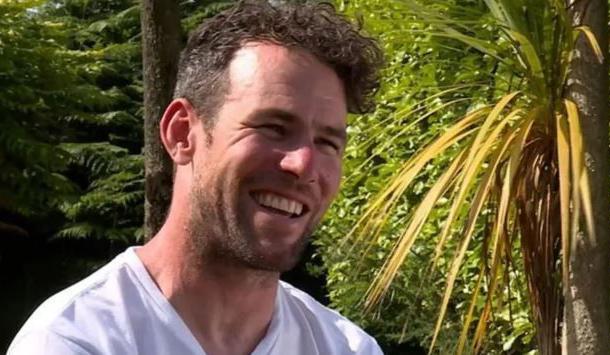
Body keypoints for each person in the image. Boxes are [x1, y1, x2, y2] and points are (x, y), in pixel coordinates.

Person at [8, 1, 384, 354]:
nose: (304, 165)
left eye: (327, 143)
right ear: (181, 133)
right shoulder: (78, 341)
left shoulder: (345, 346)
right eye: (273, 127)